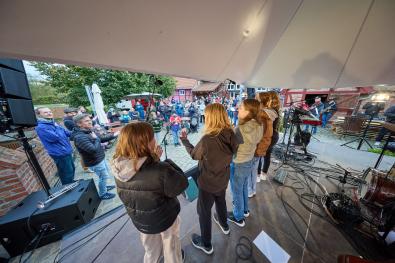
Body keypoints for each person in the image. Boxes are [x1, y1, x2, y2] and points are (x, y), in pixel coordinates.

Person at [111, 122, 188, 263]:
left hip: (141, 220)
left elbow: (143, 174)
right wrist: (163, 162)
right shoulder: (161, 169)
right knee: (171, 247)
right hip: (165, 218)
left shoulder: (118, 167)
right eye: (153, 137)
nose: (155, 139)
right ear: (145, 143)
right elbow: (180, 185)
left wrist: (154, 160)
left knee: (151, 250)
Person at [180, 103, 239, 255]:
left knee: (204, 212)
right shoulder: (234, 133)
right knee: (220, 201)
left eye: (206, 115)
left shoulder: (207, 139)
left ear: (211, 118)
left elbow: (194, 155)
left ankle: (206, 244)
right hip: (223, 179)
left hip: (207, 183)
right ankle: (224, 225)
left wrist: (185, 140)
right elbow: (235, 152)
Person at [229, 99, 263, 227]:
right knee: (243, 186)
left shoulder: (241, 129)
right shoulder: (259, 125)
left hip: (238, 162)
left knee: (236, 190)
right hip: (248, 160)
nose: (238, 109)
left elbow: (233, 148)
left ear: (249, 112)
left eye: (241, 108)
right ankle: (245, 210)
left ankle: (238, 217)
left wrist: (231, 131)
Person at [71, 114, 118, 199]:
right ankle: (103, 194)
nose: (90, 122)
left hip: (100, 158)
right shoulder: (79, 137)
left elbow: (101, 138)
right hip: (95, 161)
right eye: (86, 121)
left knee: (105, 175)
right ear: (79, 124)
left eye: (89, 120)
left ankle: (105, 187)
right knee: (103, 177)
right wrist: (96, 139)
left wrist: (115, 134)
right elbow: (93, 150)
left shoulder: (88, 131)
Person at [35, 107, 75, 185]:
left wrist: (77, 130)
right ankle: (67, 187)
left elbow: (66, 133)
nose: (49, 113)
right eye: (45, 112)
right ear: (39, 115)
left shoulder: (52, 123)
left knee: (72, 169)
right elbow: (54, 138)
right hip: (59, 153)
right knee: (66, 173)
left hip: (66, 150)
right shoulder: (41, 127)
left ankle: (71, 183)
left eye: (50, 111)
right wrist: (56, 128)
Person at [249, 93, 278, 198]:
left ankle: (250, 190)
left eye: (256, 99)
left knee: (251, 171)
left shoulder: (262, 116)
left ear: (260, 102)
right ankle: (252, 189)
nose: (254, 100)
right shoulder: (268, 113)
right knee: (254, 169)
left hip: (256, 148)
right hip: (260, 147)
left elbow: (258, 135)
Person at [255, 92, 280, 183]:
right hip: (274, 135)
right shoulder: (275, 109)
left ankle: (257, 176)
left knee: (259, 154)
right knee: (267, 155)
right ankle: (263, 175)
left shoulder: (266, 112)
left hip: (269, 136)